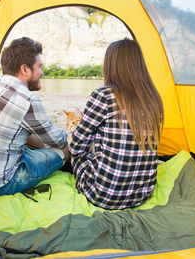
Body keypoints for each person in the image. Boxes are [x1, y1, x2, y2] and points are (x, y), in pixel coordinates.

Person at [0, 37, 69, 197]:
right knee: (65, 149)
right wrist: (59, 144)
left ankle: (43, 154)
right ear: (25, 69)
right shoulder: (27, 100)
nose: (42, 73)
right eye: (39, 67)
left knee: (30, 136)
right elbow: (59, 141)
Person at [69, 38, 164, 210]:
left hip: (103, 194)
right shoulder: (154, 98)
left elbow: (76, 147)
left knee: (79, 154)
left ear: (110, 65)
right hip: (142, 194)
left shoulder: (104, 95)